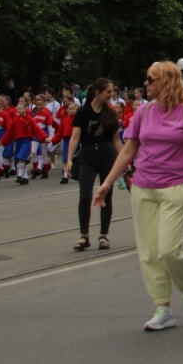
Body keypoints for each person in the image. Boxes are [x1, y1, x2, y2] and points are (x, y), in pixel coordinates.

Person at [94, 61, 183, 331]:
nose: (145, 84)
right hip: (144, 187)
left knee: (169, 250)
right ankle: (163, 307)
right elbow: (128, 150)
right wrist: (108, 183)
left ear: (166, 82)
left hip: (176, 186)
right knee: (149, 252)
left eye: (150, 79)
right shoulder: (144, 112)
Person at [67, 78, 123, 251]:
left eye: (112, 91)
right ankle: (84, 235)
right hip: (88, 155)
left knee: (106, 195)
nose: (111, 95)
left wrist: (124, 160)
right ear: (98, 92)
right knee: (85, 195)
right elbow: (75, 136)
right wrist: (69, 159)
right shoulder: (83, 113)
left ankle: (103, 235)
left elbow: (115, 140)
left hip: (107, 155)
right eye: (108, 92)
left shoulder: (111, 113)